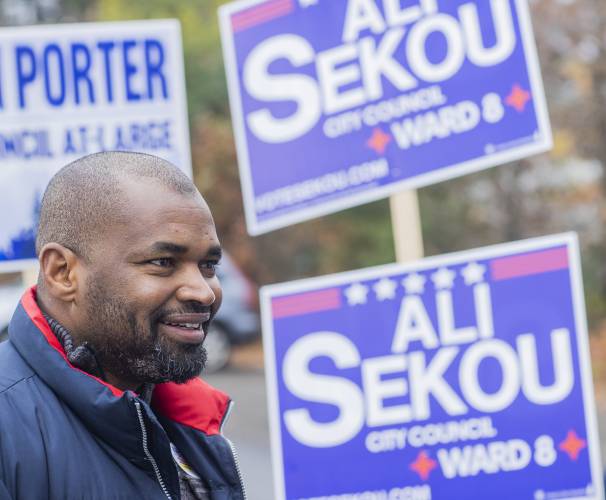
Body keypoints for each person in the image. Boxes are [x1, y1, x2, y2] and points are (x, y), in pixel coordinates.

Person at [0, 151, 246, 500]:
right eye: (163, 262)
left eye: (208, 265)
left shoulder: (187, 419)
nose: (204, 292)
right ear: (62, 273)